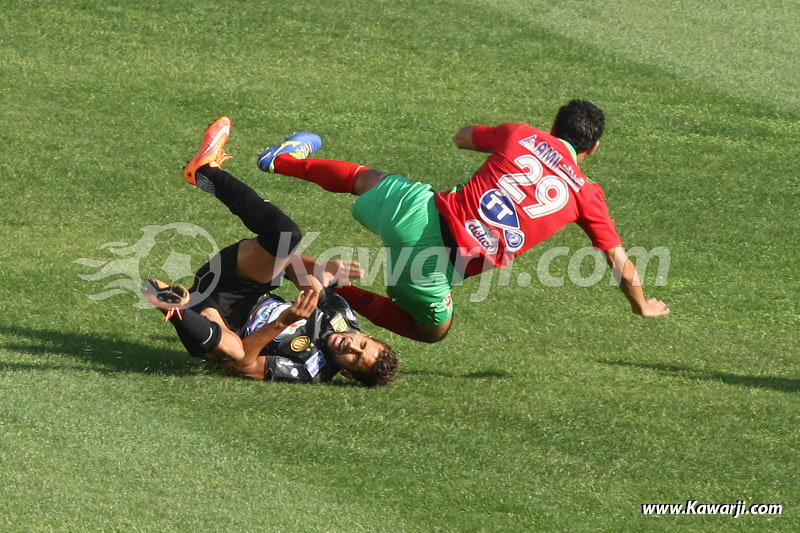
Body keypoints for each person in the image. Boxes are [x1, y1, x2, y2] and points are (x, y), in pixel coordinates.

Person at [256, 100, 670, 343]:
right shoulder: (587, 194)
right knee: (432, 331)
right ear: (592, 148)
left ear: (553, 127)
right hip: (431, 268)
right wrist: (641, 305)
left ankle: (282, 160)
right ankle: (329, 287)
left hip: (420, 211)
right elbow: (619, 262)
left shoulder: (522, 134)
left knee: (370, 180)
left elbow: (464, 136)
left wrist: (496, 139)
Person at [141, 117, 398, 386]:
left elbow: (241, 366)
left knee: (231, 351)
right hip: (238, 286)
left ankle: (173, 305)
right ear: (367, 336)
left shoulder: (310, 369)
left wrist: (284, 322)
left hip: (219, 323)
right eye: (362, 345)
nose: (352, 347)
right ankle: (205, 172)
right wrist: (317, 269)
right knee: (287, 236)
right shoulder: (340, 316)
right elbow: (291, 263)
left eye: (355, 359)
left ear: (347, 373)